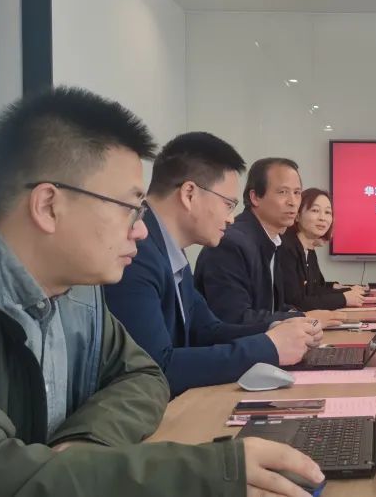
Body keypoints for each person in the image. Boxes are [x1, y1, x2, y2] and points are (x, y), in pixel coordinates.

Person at [0, 87, 322, 495]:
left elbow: (143, 374)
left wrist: (86, 444)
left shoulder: (75, 286)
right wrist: (207, 474)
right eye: (129, 207)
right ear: (49, 205)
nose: (142, 230)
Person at [104, 132, 323, 396]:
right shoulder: (136, 255)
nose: (231, 218)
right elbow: (156, 368)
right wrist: (269, 347)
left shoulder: (170, 250)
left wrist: (272, 330)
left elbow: (207, 330)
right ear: (189, 193)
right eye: (228, 204)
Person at [195, 158, 345, 325]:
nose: (292, 202)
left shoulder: (273, 241)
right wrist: (304, 319)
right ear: (255, 197)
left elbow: (273, 308)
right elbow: (235, 319)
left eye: (297, 193)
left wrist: (300, 316)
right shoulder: (231, 244)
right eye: (283, 192)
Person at [279, 188, 367, 311]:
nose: (323, 218)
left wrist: (346, 290)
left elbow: (315, 289)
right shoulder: (286, 248)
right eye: (315, 210)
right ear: (297, 215)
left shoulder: (309, 250)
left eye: (327, 212)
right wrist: (343, 298)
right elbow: (296, 302)